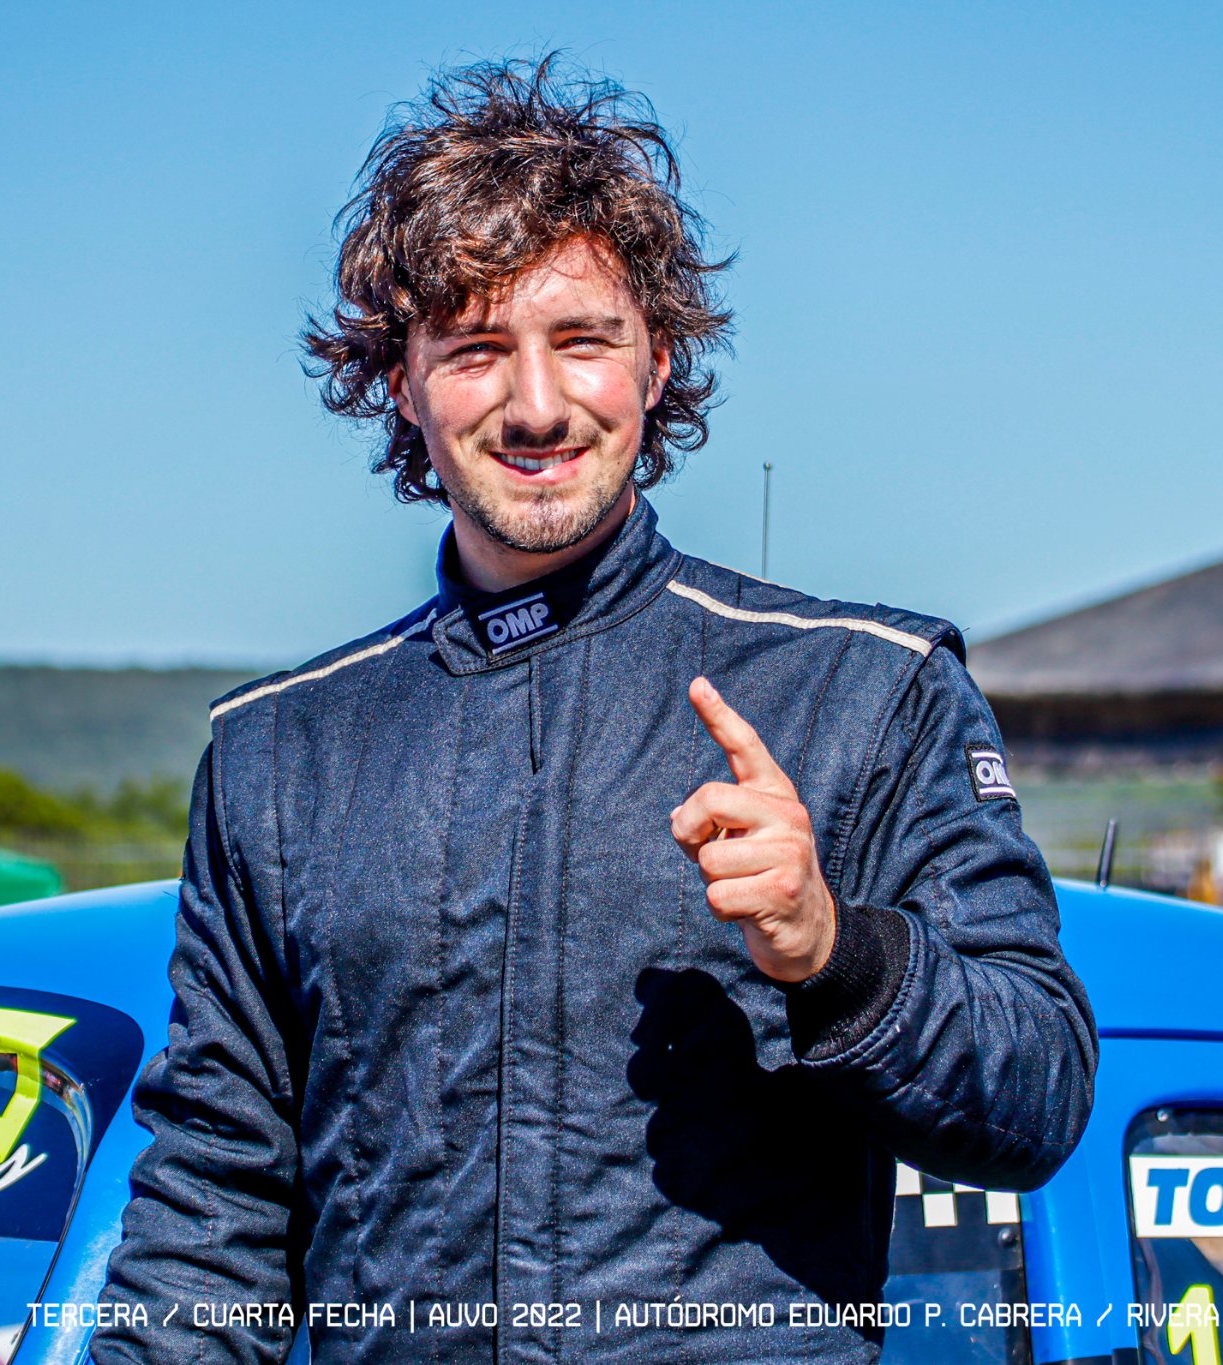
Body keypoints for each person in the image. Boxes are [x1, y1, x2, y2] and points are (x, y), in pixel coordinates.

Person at [94, 55, 1095, 1365]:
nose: (536, 405)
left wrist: (835, 951)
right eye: (474, 349)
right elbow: (208, 1204)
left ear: (659, 359)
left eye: (582, 340)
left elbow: (1039, 1095)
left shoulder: (867, 687)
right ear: (402, 382)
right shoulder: (277, 756)